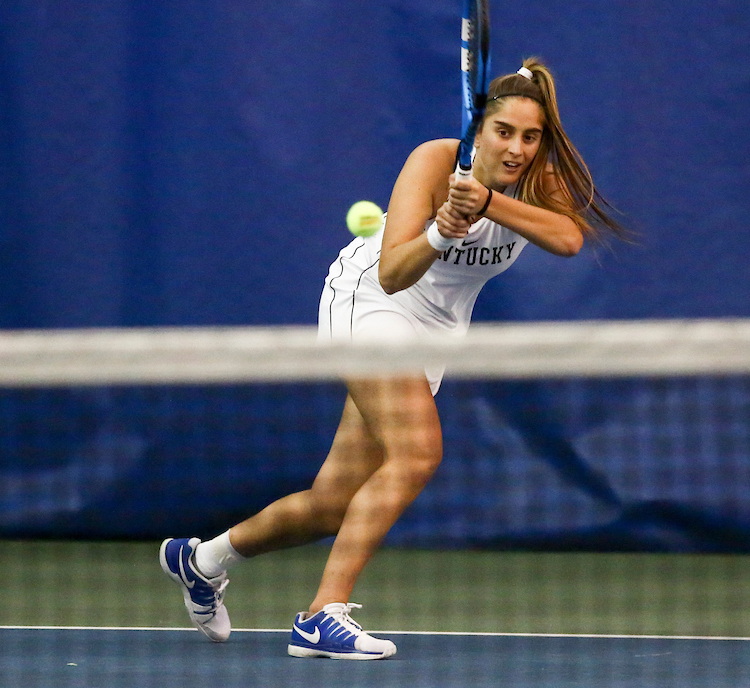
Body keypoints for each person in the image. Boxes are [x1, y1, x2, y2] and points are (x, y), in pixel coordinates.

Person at [161, 58, 624, 660]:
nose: (516, 147)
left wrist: (484, 202)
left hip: (433, 332)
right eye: (503, 132)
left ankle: (199, 560)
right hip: (372, 300)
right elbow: (393, 272)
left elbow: (566, 239)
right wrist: (439, 230)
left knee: (330, 504)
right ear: (477, 130)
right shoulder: (433, 160)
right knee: (418, 451)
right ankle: (321, 615)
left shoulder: (539, 181)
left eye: (529, 136)